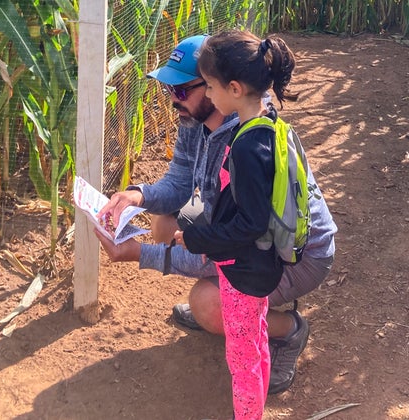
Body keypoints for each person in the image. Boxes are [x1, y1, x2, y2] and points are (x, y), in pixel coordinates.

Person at [95, 34, 337, 396]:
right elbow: (180, 183)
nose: (174, 101)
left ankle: (287, 329)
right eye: (168, 91)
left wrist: (139, 255)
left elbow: (231, 240)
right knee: (165, 220)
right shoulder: (197, 120)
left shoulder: (247, 148)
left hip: (296, 258)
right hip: (248, 236)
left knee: (206, 305)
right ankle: (232, 305)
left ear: (225, 89)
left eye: (182, 91)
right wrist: (137, 195)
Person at [173, 29, 312, 419]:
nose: (211, 96)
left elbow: (250, 223)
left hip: (244, 271)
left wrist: (199, 238)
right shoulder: (267, 124)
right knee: (255, 343)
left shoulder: (249, 147)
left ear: (234, 88)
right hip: (260, 265)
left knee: (242, 359)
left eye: (213, 87)